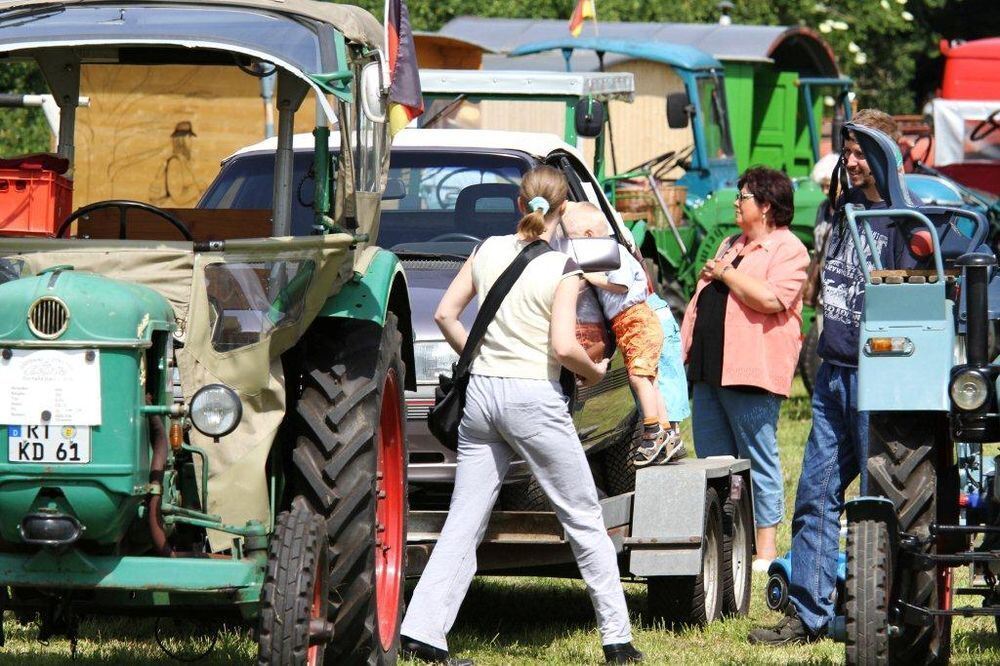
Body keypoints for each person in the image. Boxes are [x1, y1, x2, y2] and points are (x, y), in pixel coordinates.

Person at [400, 167, 643, 665]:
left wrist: (477, 358)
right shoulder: (563, 269)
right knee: (582, 517)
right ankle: (617, 640)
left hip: (481, 399)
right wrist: (595, 372)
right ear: (561, 212)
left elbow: (446, 314)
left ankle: (424, 631)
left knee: (464, 521)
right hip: (534, 398)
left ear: (519, 205)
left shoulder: (485, 249)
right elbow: (562, 345)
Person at [749, 109, 910, 645]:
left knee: (878, 498)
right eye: (848, 149)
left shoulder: (902, 222)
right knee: (816, 494)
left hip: (879, 380)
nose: (852, 159)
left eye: (863, 151)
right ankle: (808, 614)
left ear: (886, 156)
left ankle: (882, 613)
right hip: (833, 374)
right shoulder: (837, 211)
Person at [679, 166, 808, 570]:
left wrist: (727, 275)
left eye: (743, 197)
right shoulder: (730, 243)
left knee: (757, 458)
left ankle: (765, 550)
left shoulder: (789, 250)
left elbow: (771, 300)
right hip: (710, 370)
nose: (736, 203)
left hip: (751, 371)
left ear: (766, 206)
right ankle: (728, 543)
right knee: (715, 460)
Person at [562, 202, 685, 466]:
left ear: (588, 236)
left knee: (639, 377)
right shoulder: (605, 251)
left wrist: (588, 277)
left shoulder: (612, 251)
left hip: (636, 320)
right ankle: (666, 433)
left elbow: (621, 285)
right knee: (649, 379)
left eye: (572, 239)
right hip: (628, 324)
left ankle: (651, 432)